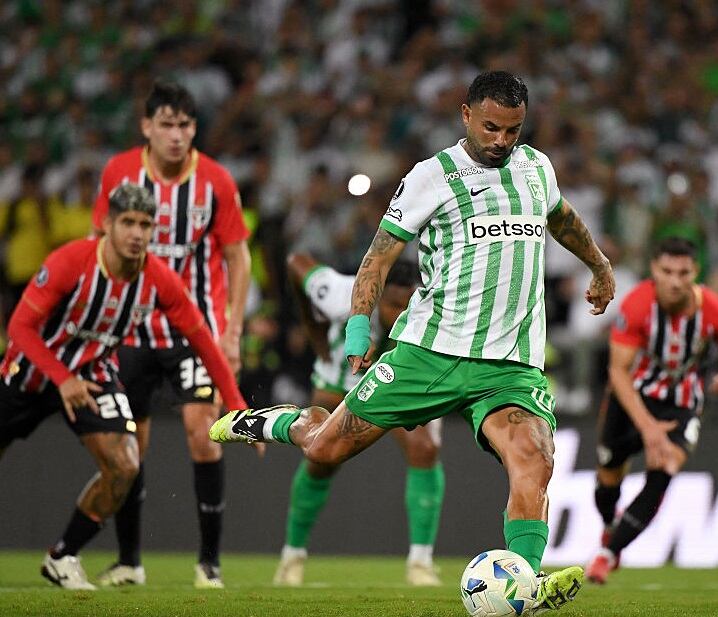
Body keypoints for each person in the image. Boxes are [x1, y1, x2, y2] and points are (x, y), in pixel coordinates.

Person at [211, 71, 615, 613]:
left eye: (512, 130)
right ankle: (272, 420)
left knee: (534, 459)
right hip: (430, 353)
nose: (501, 140)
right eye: (492, 127)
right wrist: (358, 326)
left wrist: (599, 264)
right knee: (327, 447)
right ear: (465, 114)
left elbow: (561, 217)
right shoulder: (432, 176)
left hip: (511, 362)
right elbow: (378, 257)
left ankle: (525, 582)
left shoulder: (537, 168)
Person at [0, 184, 247, 590]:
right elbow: (19, 327)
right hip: (31, 372)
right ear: (107, 225)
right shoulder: (71, 260)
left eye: (145, 225)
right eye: (128, 223)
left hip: (93, 374)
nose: (137, 233)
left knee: (126, 465)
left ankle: (62, 557)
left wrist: (236, 405)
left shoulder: (157, 277)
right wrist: (61, 378)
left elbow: (203, 340)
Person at [91, 80, 253, 588]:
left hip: (195, 331)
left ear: (194, 129)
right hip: (132, 332)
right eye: (166, 124)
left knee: (203, 434)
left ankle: (209, 563)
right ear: (147, 127)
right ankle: (129, 561)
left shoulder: (216, 181)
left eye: (185, 125)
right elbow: (100, 244)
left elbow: (237, 255)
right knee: (129, 448)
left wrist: (232, 329)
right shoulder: (119, 174)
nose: (176, 135)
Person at [274, 252, 445, 587]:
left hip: (397, 379)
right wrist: (313, 328)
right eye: (394, 305)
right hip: (339, 379)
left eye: (406, 305)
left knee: (425, 448)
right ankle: (292, 556)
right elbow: (295, 262)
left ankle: (421, 563)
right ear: (378, 294)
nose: (400, 315)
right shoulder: (342, 294)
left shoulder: (428, 305)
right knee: (321, 461)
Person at [585, 237, 718, 584]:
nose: (675, 280)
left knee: (666, 464)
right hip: (633, 397)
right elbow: (617, 372)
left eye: (683, 272)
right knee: (607, 478)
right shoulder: (637, 305)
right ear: (654, 270)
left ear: (695, 272)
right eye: (667, 271)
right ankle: (611, 524)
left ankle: (607, 554)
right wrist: (648, 427)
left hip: (682, 401)